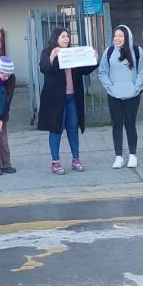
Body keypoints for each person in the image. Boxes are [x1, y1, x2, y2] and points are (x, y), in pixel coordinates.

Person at [37, 27, 98, 175]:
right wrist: (52, 57)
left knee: (73, 128)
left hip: (72, 97)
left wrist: (94, 60)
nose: (66, 39)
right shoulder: (47, 51)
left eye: (67, 36)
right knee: (56, 129)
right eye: (63, 36)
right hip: (56, 99)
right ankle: (55, 162)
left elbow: (84, 70)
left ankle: (76, 159)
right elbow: (44, 68)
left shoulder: (73, 53)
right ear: (56, 38)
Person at [98, 25, 143, 169]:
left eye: (121, 36)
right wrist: (110, 87)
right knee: (116, 125)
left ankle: (132, 155)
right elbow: (102, 72)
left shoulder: (137, 51)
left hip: (132, 95)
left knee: (130, 124)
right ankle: (118, 156)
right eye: (115, 36)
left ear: (127, 37)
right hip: (114, 95)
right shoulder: (109, 51)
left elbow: (142, 72)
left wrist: (136, 89)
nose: (117, 38)